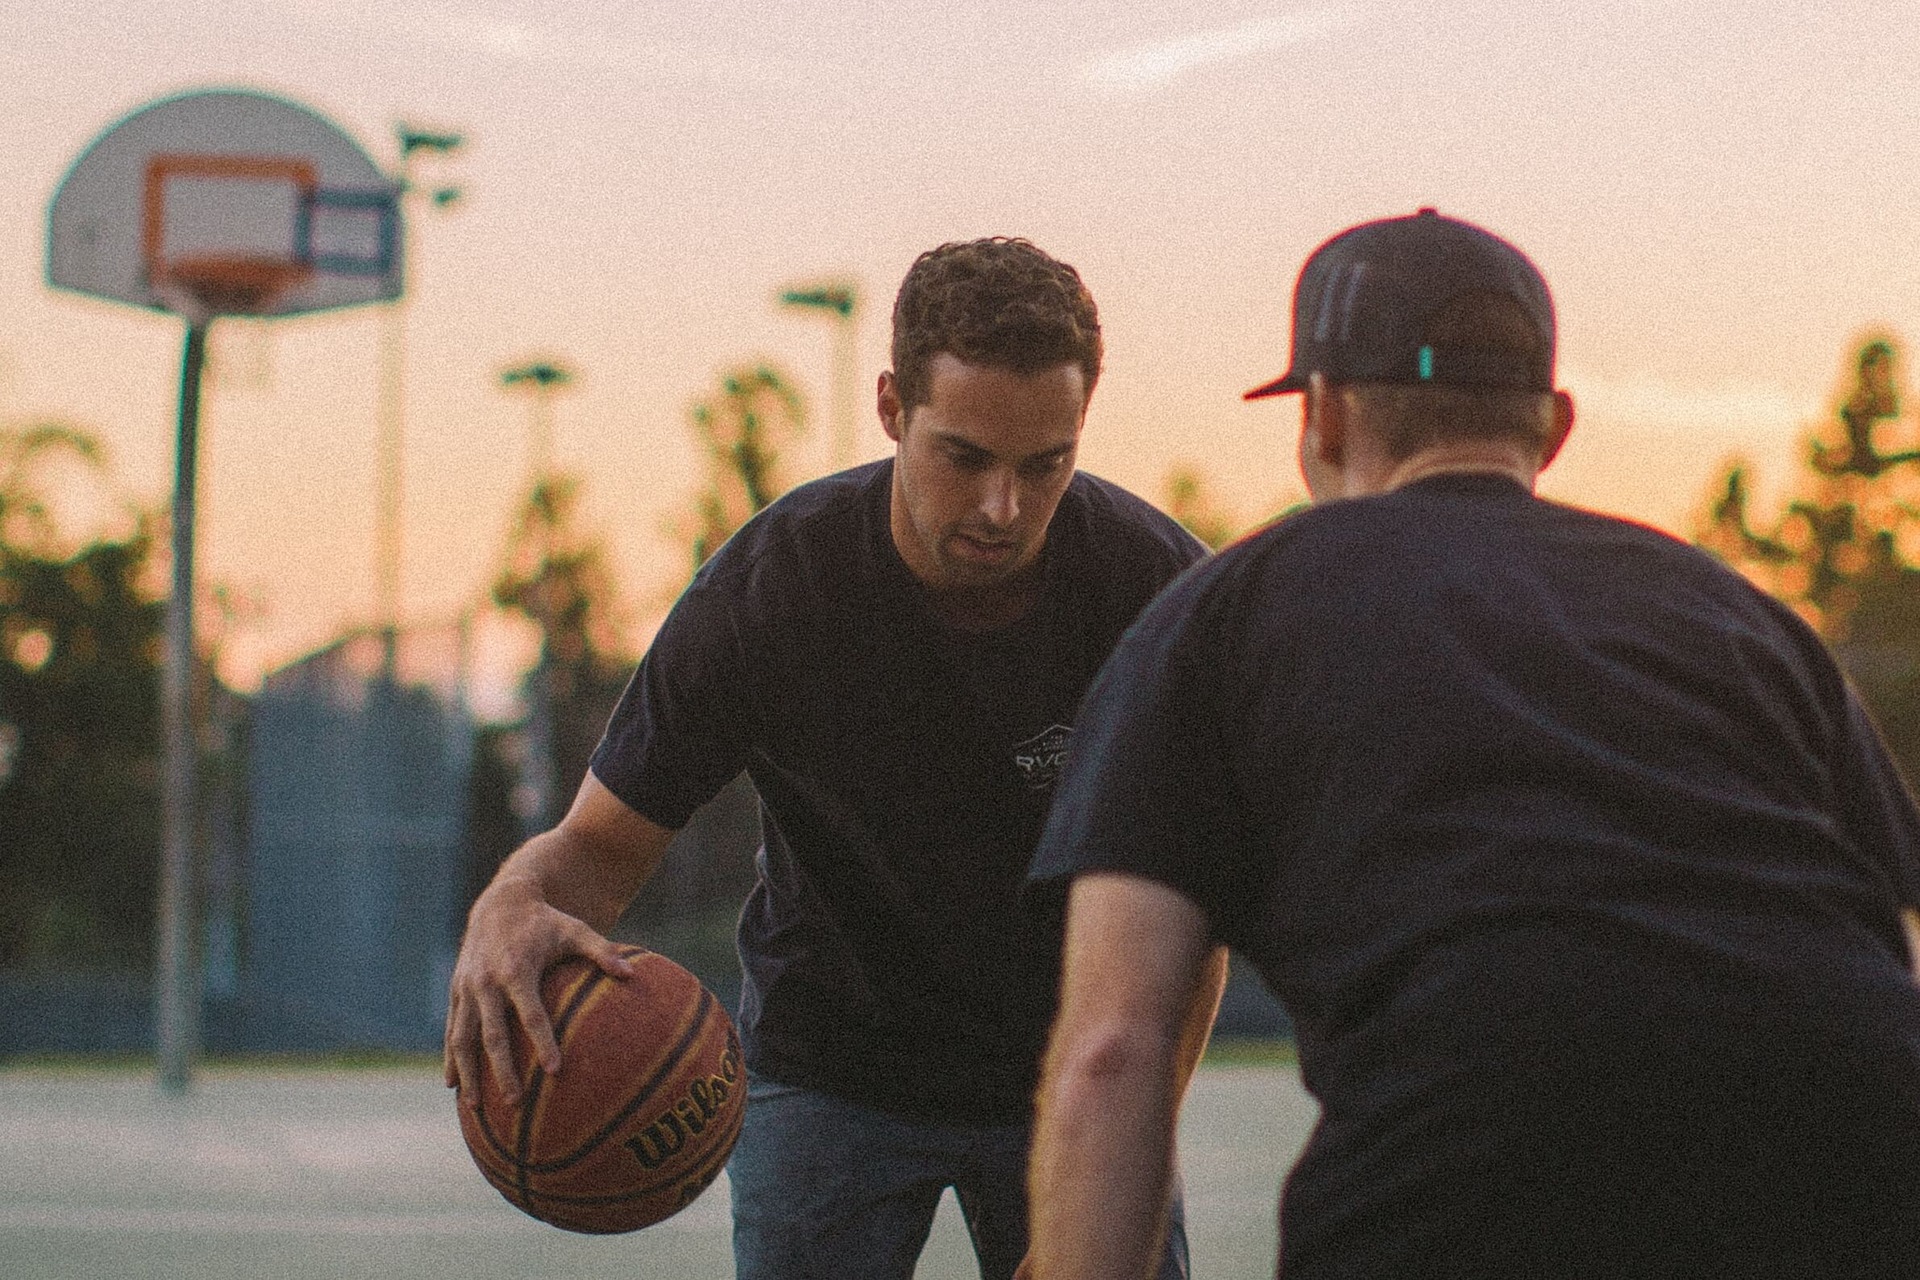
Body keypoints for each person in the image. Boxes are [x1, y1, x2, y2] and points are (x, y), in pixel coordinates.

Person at [1025, 208, 1920, 1279]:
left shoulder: (1225, 611)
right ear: (1553, 424)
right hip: (1857, 1131)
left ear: (1326, 417)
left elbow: (1115, 1044)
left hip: (1477, 1153)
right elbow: (1890, 939)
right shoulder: (1733, 611)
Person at [445, 236, 1226, 1280]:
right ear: (892, 406)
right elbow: (596, 847)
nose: (1004, 505)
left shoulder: (1155, 594)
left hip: (1074, 1061)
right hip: (833, 1064)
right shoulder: (767, 597)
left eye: (1045, 463)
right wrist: (510, 900)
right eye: (965, 456)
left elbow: (1194, 925)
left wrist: (1116, 1166)